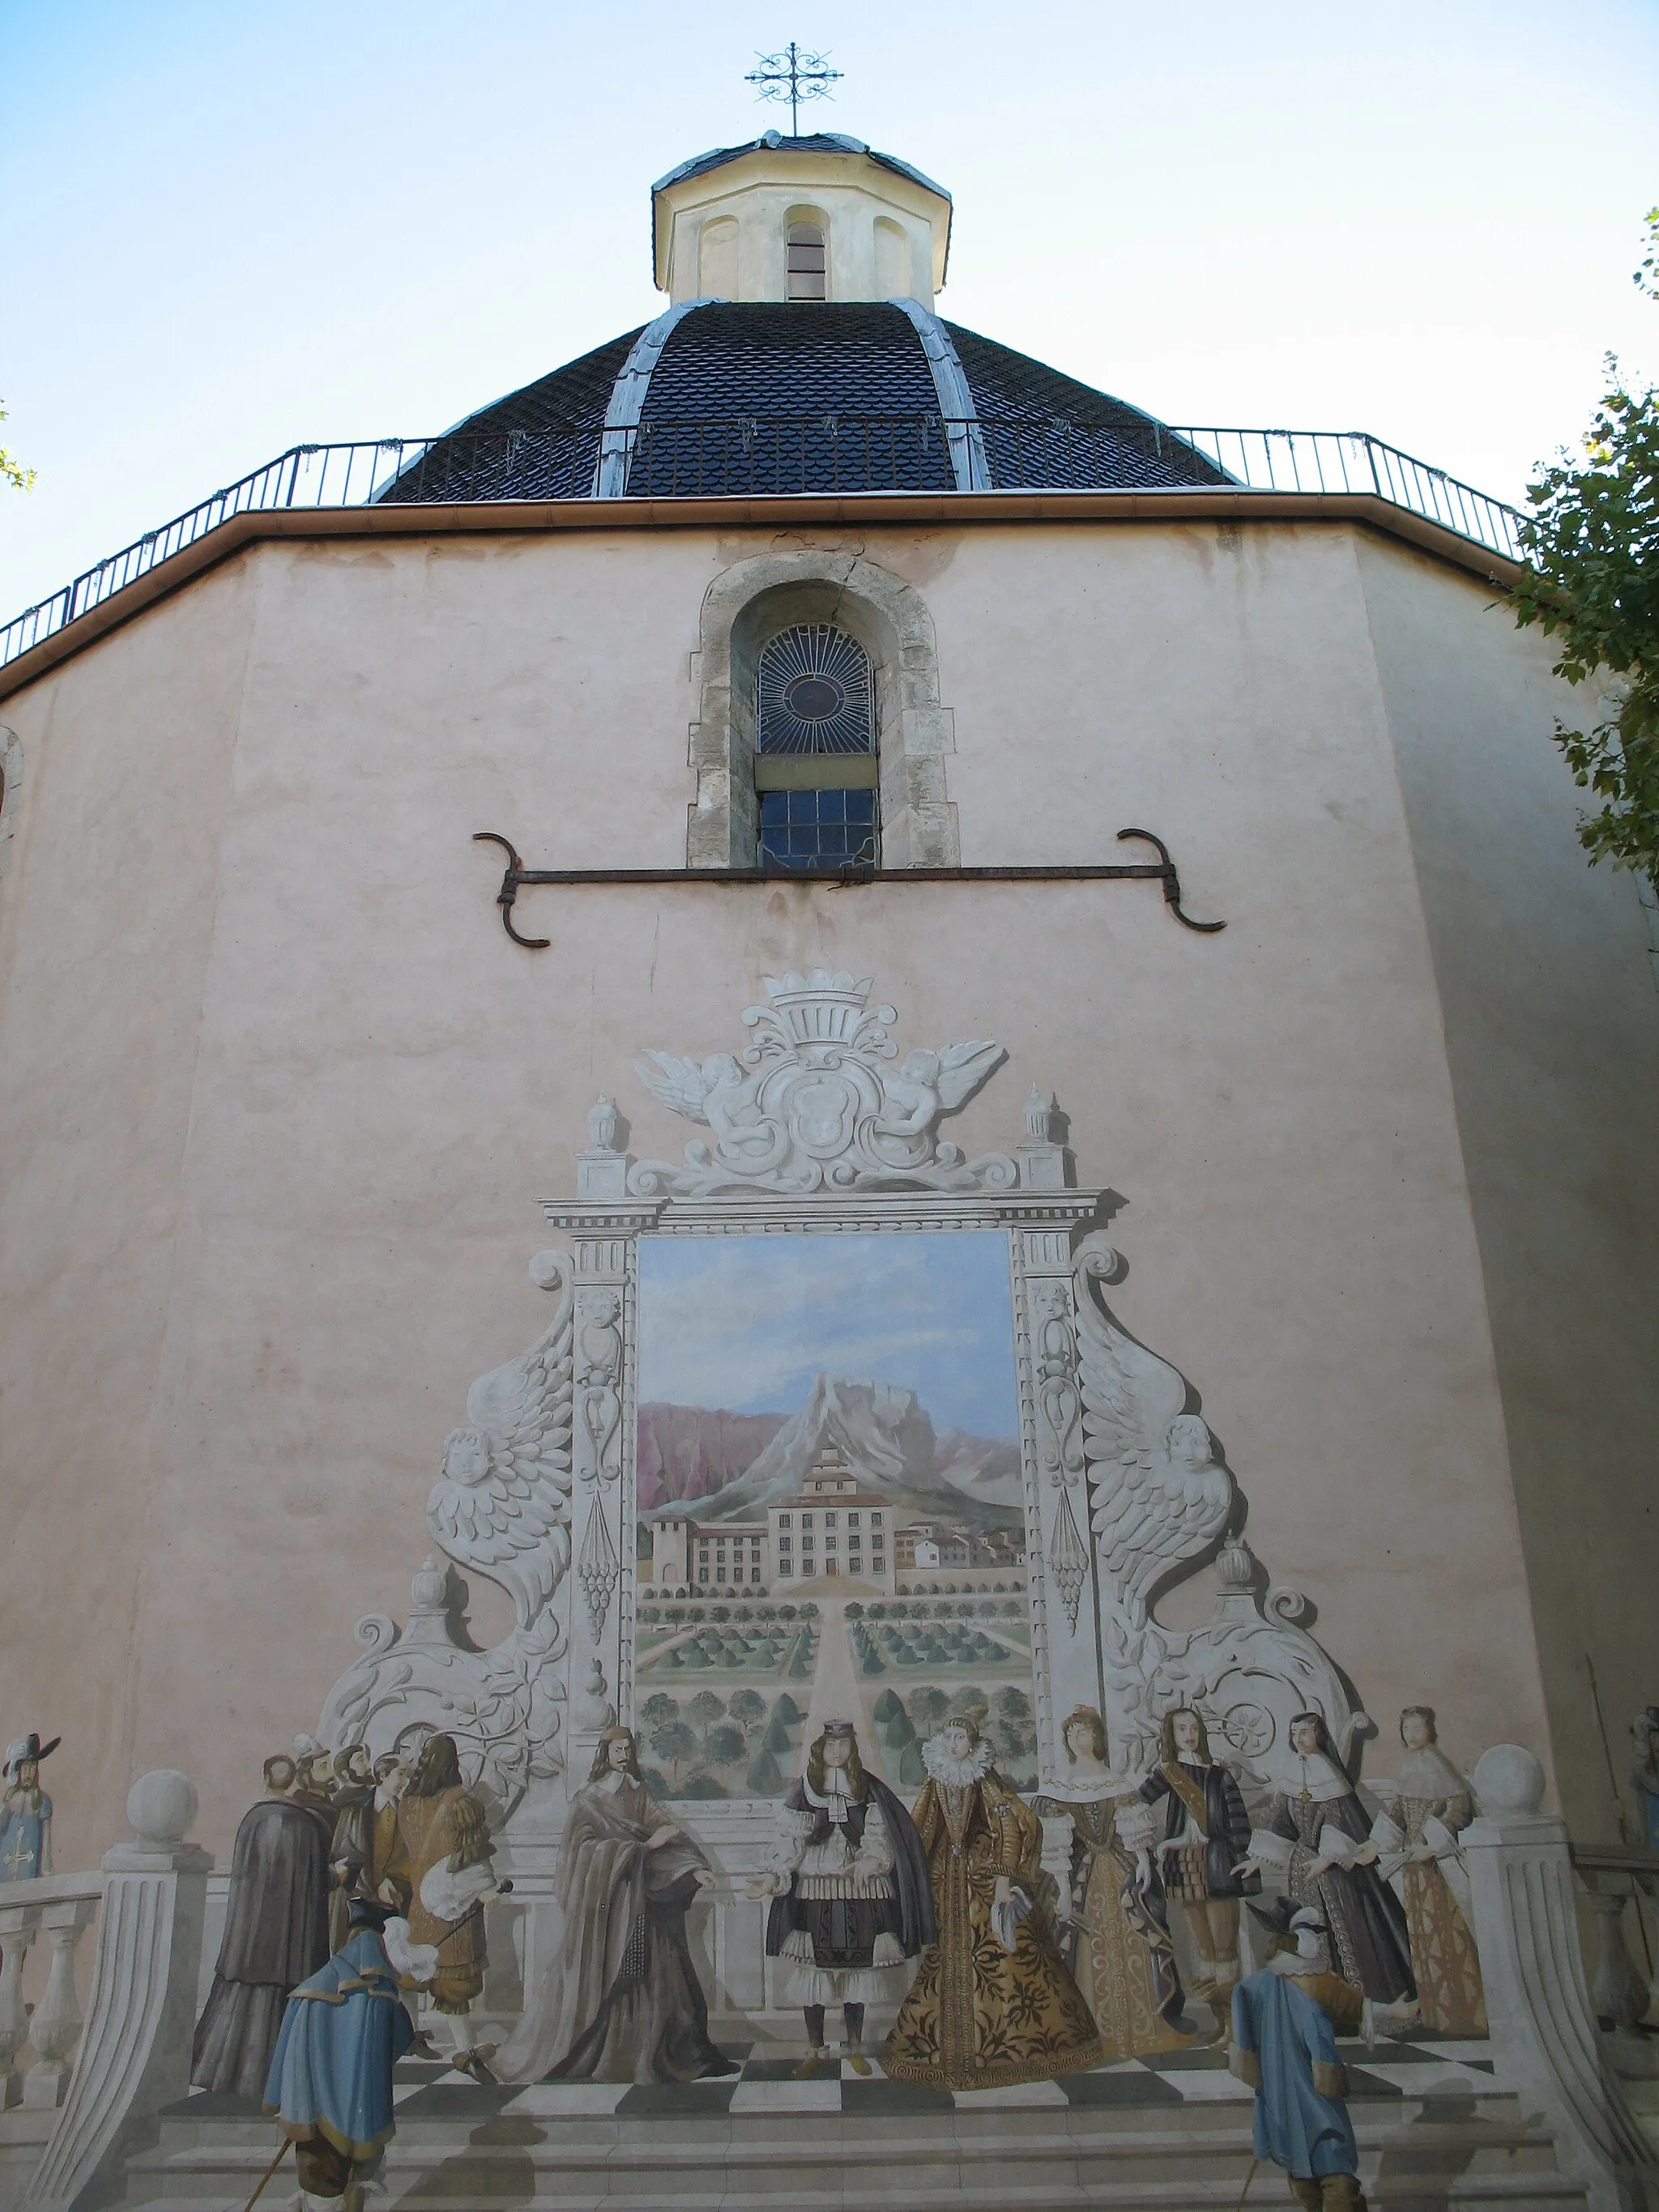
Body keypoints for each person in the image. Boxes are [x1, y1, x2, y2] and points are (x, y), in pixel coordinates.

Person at [497, 1727, 735, 2083]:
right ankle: (600, 2052)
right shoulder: (588, 1800)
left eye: (628, 1749)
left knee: (657, 1981)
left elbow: (665, 1829)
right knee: (610, 1978)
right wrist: (642, 1849)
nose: (623, 1755)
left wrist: (695, 1868)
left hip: (642, 1904)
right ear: (604, 1753)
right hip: (606, 1911)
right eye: (617, 1749)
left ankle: (644, 2051)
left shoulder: (637, 1791)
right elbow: (580, 1854)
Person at [882, 1712, 1102, 2091]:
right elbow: (919, 1824)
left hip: (983, 1884)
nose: (954, 1744)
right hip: (947, 1885)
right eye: (949, 1737)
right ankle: (950, 2051)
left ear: (973, 1743)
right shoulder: (936, 1779)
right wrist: (897, 1864)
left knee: (1006, 1964)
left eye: (960, 1738)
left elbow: (1011, 1828)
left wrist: (1003, 1880)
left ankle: (1007, 2051)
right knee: (945, 1961)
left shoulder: (985, 1781)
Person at [748, 1718, 934, 2078]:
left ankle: (855, 2047)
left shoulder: (867, 1788)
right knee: (814, 1972)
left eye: (844, 1746)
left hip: (858, 1888)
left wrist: (870, 1860)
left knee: (856, 1968)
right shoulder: (805, 1790)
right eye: (831, 1746)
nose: (837, 1752)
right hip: (816, 1887)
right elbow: (790, 1841)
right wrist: (773, 1875)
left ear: (852, 1750)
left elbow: (882, 1836)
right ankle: (814, 2048)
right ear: (821, 1750)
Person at [1032, 1705, 1191, 2060]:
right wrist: (1060, 1885)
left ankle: (1141, 2026)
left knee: (1135, 1939)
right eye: (1071, 1733)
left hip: (1120, 1874)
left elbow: (1134, 1834)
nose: (1077, 1739)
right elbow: (1057, 1844)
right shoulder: (1060, 1786)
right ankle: (1091, 2032)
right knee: (1083, 1947)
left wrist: (1145, 1863)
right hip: (1080, 1880)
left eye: (1084, 1732)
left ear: (1097, 1738)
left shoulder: (1116, 1781)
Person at [264, 1891, 431, 2211]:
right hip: (356, 2114)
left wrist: (280, 2096)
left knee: (319, 2177)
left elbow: (285, 2045)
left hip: (310, 2111)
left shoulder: (314, 1985)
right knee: (350, 2173)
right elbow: (391, 2042)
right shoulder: (379, 1993)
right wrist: (411, 2038)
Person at [191, 1754, 331, 2099]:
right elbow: (316, 1880)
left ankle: (231, 2079)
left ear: (265, 1778)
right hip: (291, 1943)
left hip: (250, 1939)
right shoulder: (307, 1824)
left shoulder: (252, 1821)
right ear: (294, 1780)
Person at [1231, 1898, 1367, 2211]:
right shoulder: (1311, 1986)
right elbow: (1322, 2046)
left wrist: (1254, 2072)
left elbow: (1244, 2045)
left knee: (1303, 2167)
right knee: (1332, 2164)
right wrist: (1331, 2077)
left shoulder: (1251, 1987)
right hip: (1313, 2094)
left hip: (1278, 2095)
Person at [1270, 1711, 1414, 2007]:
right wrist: (1261, 1857)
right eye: (1295, 1732)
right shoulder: (1291, 1773)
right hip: (1302, 1869)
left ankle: (1357, 2005)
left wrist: (1327, 1858)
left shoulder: (1329, 1774)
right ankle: (1319, 2002)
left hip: (1338, 1873)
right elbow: (1280, 1823)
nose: (1299, 1739)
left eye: (1306, 1732)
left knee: (1348, 1932)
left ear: (1319, 1736)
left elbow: (1344, 1825)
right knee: (1308, 1934)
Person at [1138, 1705, 1260, 2021]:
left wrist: (1241, 1856)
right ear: (1171, 1734)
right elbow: (1137, 1802)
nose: (1189, 1735)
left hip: (1218, 1861)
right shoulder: (1167, 1771)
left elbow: (1239, 1821)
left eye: (1194, 1728)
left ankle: (1237, 2026)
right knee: (1203, 1949)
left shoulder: (1220, 1774)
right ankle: (1221, 2021)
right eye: (1181, 1729)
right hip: (1183, 1865)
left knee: (1225, 1948)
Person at [1370, 1707, 1485, 2035]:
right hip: (1413, 1867)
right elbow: (1397, 1814)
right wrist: (1374, 1845)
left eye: (1417, 1727)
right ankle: (1436, 2014)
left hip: (1439, 1868)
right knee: (1423, 1938)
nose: (1411, 1733)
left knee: (1448, 1937)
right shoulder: (1410, 1767)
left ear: (1430, 1731)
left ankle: (1462, 2016)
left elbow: (1459, 1810)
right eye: (1406, 1728)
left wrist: (1432, 1846)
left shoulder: (1439, 1766)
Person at [395, 1732, 499, 2082]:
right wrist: (485, 1889)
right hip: (453, 1904)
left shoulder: (406, 1803)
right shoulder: (461, 1802)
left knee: (413, 1976)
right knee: (453, 1985)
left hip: (417, 1905)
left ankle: (411, 2036)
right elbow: (473, 1857)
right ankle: (463, 2052)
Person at [1, 1733, 58, 1883]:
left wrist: (46, 1870)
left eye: (32, 1768)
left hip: (29, 1869)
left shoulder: (42, 1801)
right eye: (25, 1768)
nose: (28, 1773)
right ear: (18, 1771)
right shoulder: (10, 1801)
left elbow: (46, 1838)